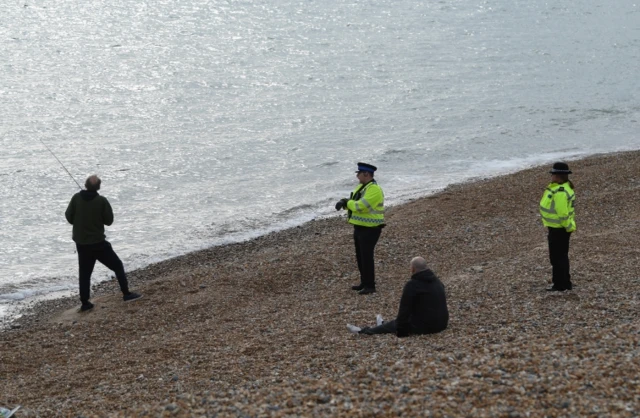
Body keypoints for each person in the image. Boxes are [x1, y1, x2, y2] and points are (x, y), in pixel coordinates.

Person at [65, 175, 142, 311]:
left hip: (82, 244)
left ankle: (85, 303)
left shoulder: (76, 198)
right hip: (98, 243)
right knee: (117, 265)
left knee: (84, 273)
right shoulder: (101, 201)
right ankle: (126, 294)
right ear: (98, 187)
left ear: (86, 185)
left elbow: (69, 217)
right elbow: (109, 221)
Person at [347, 257, 449, 337]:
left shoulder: (412, 285)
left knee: (395, 323)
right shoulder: (437, 281)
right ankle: (383, 325)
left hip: (425, 327)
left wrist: (401, 331)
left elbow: (404, 311)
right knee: (403, 320)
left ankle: (363, 331)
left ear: (412, 269)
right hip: (442, 324)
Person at [335, 162, 385, 294]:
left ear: (366, 174)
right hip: (360, 227)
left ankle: (370, 285)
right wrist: (344, 203)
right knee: (360, 256)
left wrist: (347, 203)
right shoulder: (362, 187)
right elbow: (354, 202)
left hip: (371, 228)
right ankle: (364, 282)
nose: (357, 176)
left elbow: (360, 206)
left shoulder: (374, 189)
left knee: (367, 257)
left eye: (359, 173)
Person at [539, 162, 576, 291]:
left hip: (559, 228)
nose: (552, 176)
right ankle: (564, 282)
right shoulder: (564, 187)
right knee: (561, 256)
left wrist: (567, 226)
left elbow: (562, 213)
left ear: (558, 175)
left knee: (557, 257)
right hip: (559, 228)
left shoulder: (560, 191)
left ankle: (560, 284)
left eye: (553, 174)